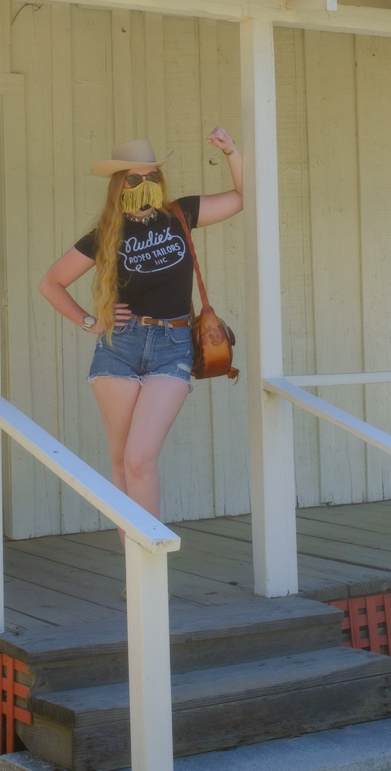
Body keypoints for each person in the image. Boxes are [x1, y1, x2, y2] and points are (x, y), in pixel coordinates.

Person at [38, 130, 243, 520]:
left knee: (139, 459)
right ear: (120, 185)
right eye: (134, 179)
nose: (144, 185)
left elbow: (243, 197)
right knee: (121, 464)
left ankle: (151, 571)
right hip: (121, 347)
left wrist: (231, 151)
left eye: (152, 178)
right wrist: (89, 321)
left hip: (174, 345)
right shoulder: (104, 235)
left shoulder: (180, 214)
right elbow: (50, 282)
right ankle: (138, 575)